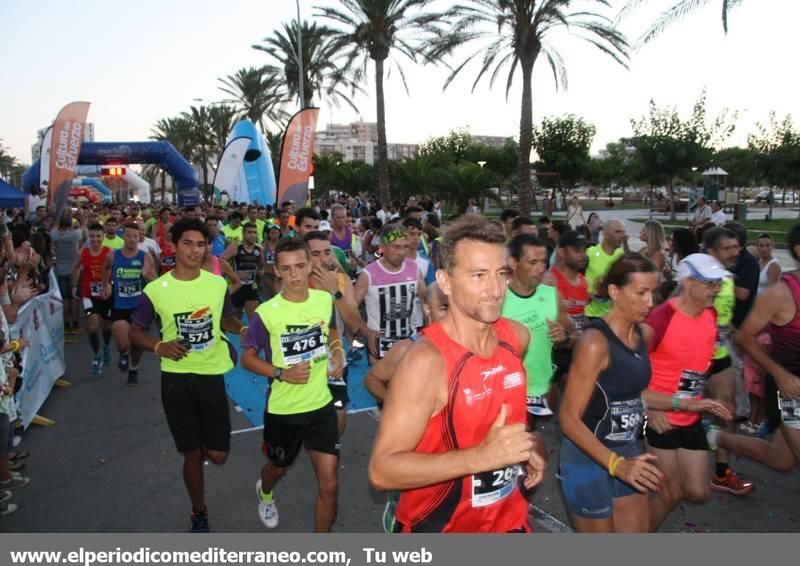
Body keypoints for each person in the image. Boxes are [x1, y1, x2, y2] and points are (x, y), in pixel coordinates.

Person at [368, 216, 546, 533]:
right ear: (446, 282)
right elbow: (382, 471)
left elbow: (496, 420)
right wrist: (482, 458)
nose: (495, 290)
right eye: (478, 275)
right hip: (442, 528)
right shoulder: (425, 361)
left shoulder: (517, 337)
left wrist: (524, 446)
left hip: (509, 522)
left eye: (500, 274)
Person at [129, 218, 245, 533]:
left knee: (218, 454)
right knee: (192, 453)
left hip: (211, 376)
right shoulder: (156, 290)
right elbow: (134, 332)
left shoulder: (217, 284)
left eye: (201, 244)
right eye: (187, 243)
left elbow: (228, 320)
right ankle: (199, 511)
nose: (195, 250)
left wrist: (245, 330)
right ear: (174, 245)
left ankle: (201, 445)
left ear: (207, 247)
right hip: (177, 381)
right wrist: (159, 346)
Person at [241, 238, 345, 532]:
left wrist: (337, 351)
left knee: (330, 484)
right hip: (284, 411)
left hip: (321, 405)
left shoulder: (324, 299)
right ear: (277, 272)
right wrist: (280, 373)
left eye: (300, 266)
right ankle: (265, 490)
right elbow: (247, 358)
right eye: (287, 269)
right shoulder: (267, 313)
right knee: (278, 468)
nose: (295, 275)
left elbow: (333, 331)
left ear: (310, 264)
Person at [558, 254, 664, 533]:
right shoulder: (595, 343)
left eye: (653, 293)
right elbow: (568, 418)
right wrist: (615, 465)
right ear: (615, 291)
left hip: (628, 452)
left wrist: (663, 408)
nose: (650, 302)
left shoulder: (644, 334)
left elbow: (626, 391)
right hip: (587, 459)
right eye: (641, 293)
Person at [642, 254, 735, 532]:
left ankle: (634, 514)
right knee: (670, 492)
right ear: (688, 281)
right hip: (661, 416)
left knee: (697, 492)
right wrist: (650, 408)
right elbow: (631, 367)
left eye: (718, 283)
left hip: (690, 415)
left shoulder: (711, 315)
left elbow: (696, 364)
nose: (716, 289)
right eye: (709, 283)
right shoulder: (661, 318)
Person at [708, 224, 800, 472]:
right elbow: (744, 337)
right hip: (791, 392)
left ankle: (715, 437)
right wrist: (780, 374)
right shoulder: (781, 294)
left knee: (781, 460)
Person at [702, 227, 755, 495]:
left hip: (719, 354)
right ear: (711, 251)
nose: (735, 252)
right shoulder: (696, 276)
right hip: (691, 359)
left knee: (726, 411)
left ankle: (721, 473)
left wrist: (731, 332)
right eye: (728, 248)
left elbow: (723, 316)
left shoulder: (728, 277)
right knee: (673, 412)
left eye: (736, 247)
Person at [502, 234, 573, 422]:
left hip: (544, 390)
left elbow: (575, 335)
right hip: (508, 391)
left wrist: (564, 337)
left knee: (539, 438)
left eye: (543, 262)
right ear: (513, 263)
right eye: (532, 262)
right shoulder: (497, 299)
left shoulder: (551, 295)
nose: (540, 269)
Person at [303, 231, 363, 437]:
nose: (323, 259)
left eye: (327, 253)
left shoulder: (340, 279)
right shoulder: (294, 281)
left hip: (333, 358)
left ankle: (331, 447)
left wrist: (334, 291)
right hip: (302, 361)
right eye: (316, 254)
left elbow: (355, 324)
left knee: (338, 410)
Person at [354, 224, 424, 363]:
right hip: (380, 348)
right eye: (396, 247)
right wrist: (367, 332)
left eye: (405, 246)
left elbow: (427, 301)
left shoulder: (414, 268)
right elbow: (350, 310)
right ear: (383, 247)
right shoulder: (368, 274)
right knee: (380, 383)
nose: (402, 252)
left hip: (409, 343)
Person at [103, 223, 156, 386]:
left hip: (139, 307)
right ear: (123, 237)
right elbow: (105, 269)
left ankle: (133, 368)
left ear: (139, 237)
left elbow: (154, 280)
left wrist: (147, 275)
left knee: (137, 343)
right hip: (120, 305)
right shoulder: (113, 255)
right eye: (129, 236)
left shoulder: (145, 256)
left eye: (136, 236)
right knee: (123, 343)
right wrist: (106, 284)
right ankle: (124, 354)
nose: (132, 239)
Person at [72, 224, 113, 374]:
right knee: (94, 325)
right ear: (88, 237)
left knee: (107, 326)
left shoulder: (109, 252)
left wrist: (110, 284)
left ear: (103, 236)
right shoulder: (82, 252)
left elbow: (114, 270)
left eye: (98, 236)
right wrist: (74, 286)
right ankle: (96, 355)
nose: (95, 239)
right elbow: (76, 267)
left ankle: (107, 347)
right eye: (92, 236)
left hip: (106, 294)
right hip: (88, 293)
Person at [584, 219, 628, 319]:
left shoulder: (621, 255)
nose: (622, 236)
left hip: (613, 316)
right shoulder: (590, 253)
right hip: (591, 315)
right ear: (605, 234)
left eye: (623, 232)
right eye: (618, 232)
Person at [221, 222, 263, 324]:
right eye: (249, 232)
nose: (252, 235)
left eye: (254, 232)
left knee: (254, 321)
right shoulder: (235, 247)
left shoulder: (259, 249)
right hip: (236, 287)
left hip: (251, 287)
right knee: (235, 321)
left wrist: (259, 276)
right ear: (243, 234)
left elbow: (261, 267)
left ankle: (252, 339)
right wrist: (233, 274)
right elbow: (221, 261)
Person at [50, 214, 82, 333]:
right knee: (75, 299)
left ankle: (66, 325)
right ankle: (75, 323)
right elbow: (82, 224)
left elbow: (54, 227)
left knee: (65, 299)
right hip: (74, 269)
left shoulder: (54, 235)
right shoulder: (75, 234)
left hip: (61, 270)